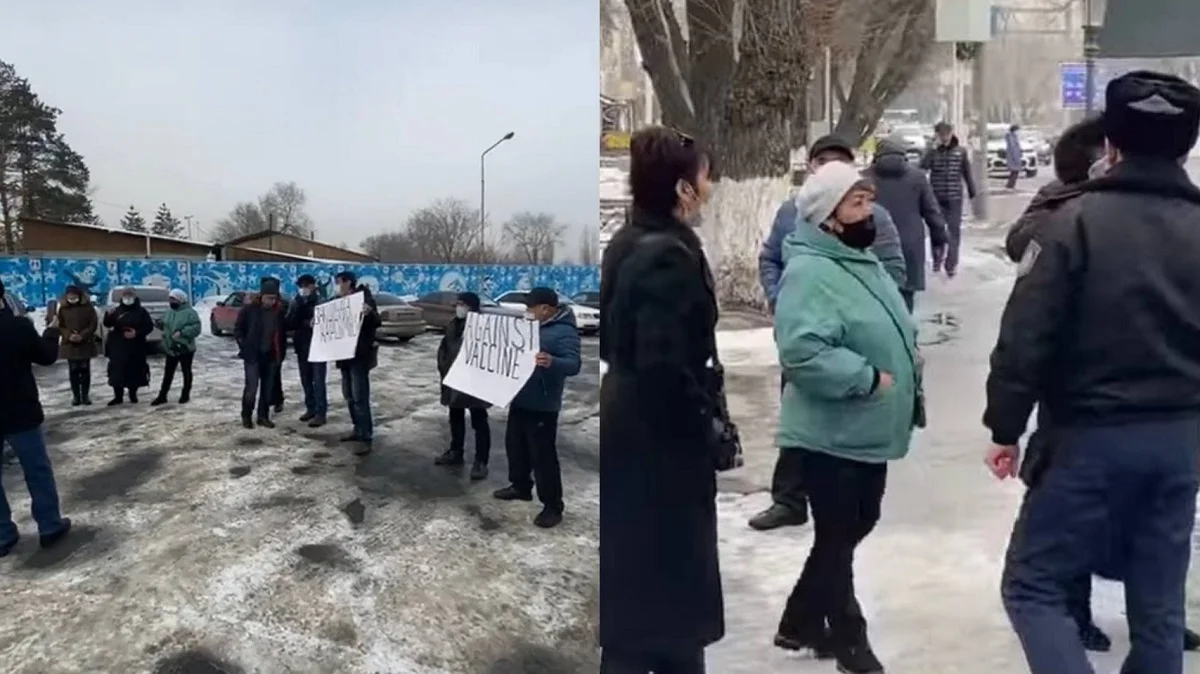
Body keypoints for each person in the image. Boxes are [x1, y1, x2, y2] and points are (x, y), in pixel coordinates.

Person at [984, 71, 1200, 674]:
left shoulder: (1072, 224)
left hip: (1090, 438)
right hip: (1181, 443)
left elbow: (1024, 337)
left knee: (1033, 585)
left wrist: (1004, 426)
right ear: (1185, 147)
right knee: (1157, 609)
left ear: (1112, 145)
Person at [771, 160, 918, 674]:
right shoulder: (811, 270)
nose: (868, 210)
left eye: (868, 198)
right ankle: (850, 641)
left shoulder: (859, 260)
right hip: (830, 430)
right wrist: (868, 377)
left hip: (865, 426)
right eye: (856, 203)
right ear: (827, 217)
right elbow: (803, 351)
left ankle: (801, 620)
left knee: (856, 522)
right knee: (838, 534)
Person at [599, 126, 723, 673]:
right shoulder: (667, 257)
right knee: (669, 604)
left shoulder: (627, 241)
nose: (710, 186)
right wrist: (706, 424)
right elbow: (665, 367)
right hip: (660, 449)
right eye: (705, 176)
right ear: (682, 188)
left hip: (628, 430)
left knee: (635, 598)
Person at [751, 133, 909, 532]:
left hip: (854, 342)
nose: (828, 169)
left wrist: (873, 314)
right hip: (808, 326)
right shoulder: (793, 213)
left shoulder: (875, 219)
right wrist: (778, 297)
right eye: (822, 162)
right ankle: (788, 498)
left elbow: (891, 270)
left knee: (855, 510)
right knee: (805, 415)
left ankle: (830, 586)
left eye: (839, 162)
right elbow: (772, 258)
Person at [493, 287, 581, 528]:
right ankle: (520, 486)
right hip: (520, 398)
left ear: (545, 308)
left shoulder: (564, 332)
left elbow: (574, 364)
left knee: (543, 456)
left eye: (530, 308)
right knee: (515, 446)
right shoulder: (528, 327)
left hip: (543, 405)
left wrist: (552, 362)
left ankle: (553, 506)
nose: (527, 312)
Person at [0, 303, 72, 557]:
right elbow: (46, 356)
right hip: (21, 412)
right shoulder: (17, 326)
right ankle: (49, 525)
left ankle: (3, 534)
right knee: (36, 470)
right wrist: (52, 331)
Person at [864, 137, 950, 311]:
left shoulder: (863, 179)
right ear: (904, 154)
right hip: (909, 247)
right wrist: (940, 240)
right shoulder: (917, 177)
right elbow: (932, 213)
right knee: (905, 301)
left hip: (872, 246)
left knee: (873, 299)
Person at [434, 291, 492, 480]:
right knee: (455, 417)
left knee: (479, 421)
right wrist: (444, 368)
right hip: (453, 380)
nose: (458, 307)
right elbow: (445, 348)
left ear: (471, 306)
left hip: (476, 382)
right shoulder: (454, 324)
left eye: (462, 304)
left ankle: (481, 461)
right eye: (457, 304)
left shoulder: (483, 327)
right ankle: (455, 452)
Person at [920, 121, 977, 277]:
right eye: (941, 135)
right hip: (935, 198)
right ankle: (937, 258)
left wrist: (973, 193)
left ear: (952, 134)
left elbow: (967, 173)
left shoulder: (961, 152)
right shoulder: (933, 152)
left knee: (953, 231)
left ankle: (951, 264)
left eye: (947, 134)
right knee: (936, 229)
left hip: (954, 198)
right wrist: (929, 150)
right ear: (937, 135)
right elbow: (922, 168)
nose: (944, 138)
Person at [333, 271, 379, 453]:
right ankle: (357, 428)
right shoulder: (338, 301)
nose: (338, 286)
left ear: (348, 282)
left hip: (359, 355)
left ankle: (365, 434)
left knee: (360, 395)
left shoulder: (364, 298)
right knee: (349, 395)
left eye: (339, 283)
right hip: (344, 355)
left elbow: (377, 321)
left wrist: (369, 313)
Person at [234, 281, 287, 429]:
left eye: (274, 298)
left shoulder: (279, 312)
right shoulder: (249, 310)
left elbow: (282, 333)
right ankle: (246, 416)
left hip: (270, 355)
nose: (272, 301)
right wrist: (244, 345)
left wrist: (280, 354)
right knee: (251, 388)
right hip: (253, 355)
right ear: (261, 296)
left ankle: (263, 416)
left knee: (267, 388)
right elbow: (238, 329)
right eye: (269, 298)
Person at [287, 274, 328, 427]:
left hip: (318, 346)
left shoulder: (320, 301)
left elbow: (325, 321)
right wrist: (298, 313)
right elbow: (290, 322)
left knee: (318, 381)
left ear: (313, 286)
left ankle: (320, 412)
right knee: (306, 380)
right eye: (301, 286)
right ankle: (310, 408)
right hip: (302, 345)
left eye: (307, 286)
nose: (304, 289)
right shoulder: (296, 301)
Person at [103, 286, 154, 405]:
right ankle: (118, 397)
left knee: (134, 371)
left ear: (135, 297)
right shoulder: (116, 310)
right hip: (118, 346)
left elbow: (149, 326)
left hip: (135, 346)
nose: (128, 298)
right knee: (117, 371)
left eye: (130, 295)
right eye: (125, 295)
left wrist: (136, 333)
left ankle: (133, 394)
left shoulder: (141, 311)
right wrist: (108, 315)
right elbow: (107, 324)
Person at [152, 289, 200, 406]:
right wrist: (159, 324)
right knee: (168, 373)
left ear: (180, 299)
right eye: (170, 299)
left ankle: (185, 394)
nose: (171, 301)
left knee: (186, 371)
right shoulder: (169, 312)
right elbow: (165, 324)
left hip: (185, 347)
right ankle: (162, 395)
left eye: (173, 299)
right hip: (171, 347)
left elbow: (196, 328)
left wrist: (182, 332)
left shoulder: (190, 313)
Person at [56, 285, 98, 406]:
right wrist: (68, 335)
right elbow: (60, 325)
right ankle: (76, 396)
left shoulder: (88, 307)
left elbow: (93, 323)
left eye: (74, 296)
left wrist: (83, 335)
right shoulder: (63, 308)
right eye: (70, 296)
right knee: (73, 370)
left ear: (79, 296)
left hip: (85, 343)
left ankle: (85, 395)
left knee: (85, 370)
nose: (72, 298)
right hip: (70, 344)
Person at [1004, 123, 1023, 190]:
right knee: (1015, 171)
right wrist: (1016, 157)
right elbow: (1013, 148)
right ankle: (1010, 185)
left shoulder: (1013, 136)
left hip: (1015, 156)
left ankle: (1010, 185)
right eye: (1018, 130)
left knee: (1014, 172)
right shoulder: (1011, 137)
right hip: (1013, 157)